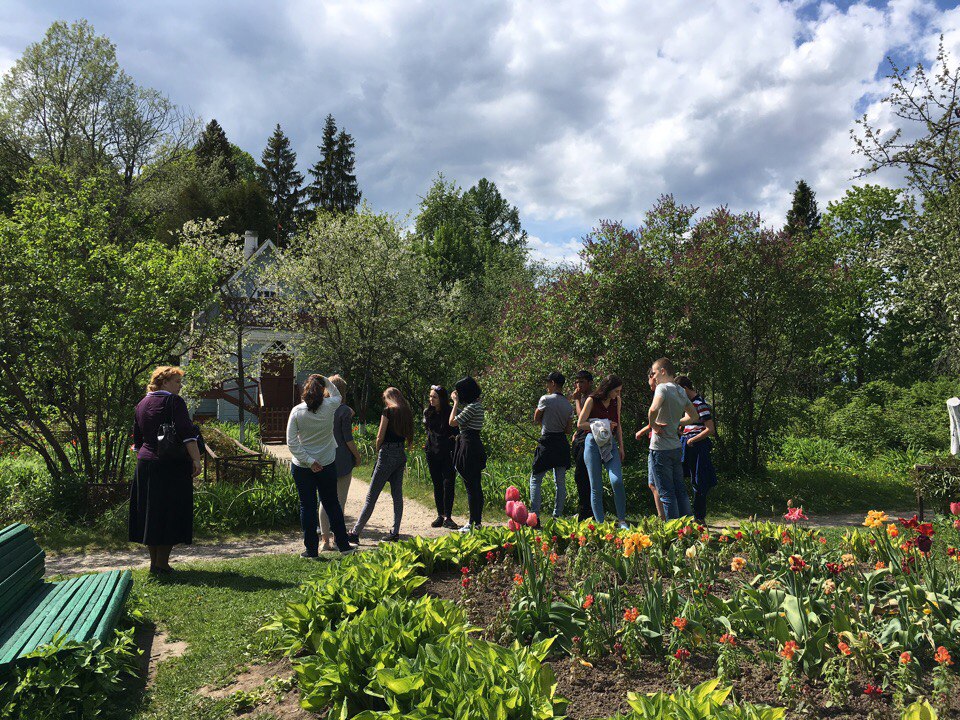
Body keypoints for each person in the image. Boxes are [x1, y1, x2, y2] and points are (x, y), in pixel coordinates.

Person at [130, 366, 202, 574]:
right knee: (169, 512)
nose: (180, 386)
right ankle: (162, 564)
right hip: (170, 463)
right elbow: (187, 434)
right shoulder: (173, 402)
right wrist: (196, 460)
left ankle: (156, 563)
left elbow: (138, 441)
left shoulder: (141, 404)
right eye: (177, 382)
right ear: (164, 382)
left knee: (151, 514)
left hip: (145, 464)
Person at [286, 374, 354, 556]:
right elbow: (337, 394)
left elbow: (291, 442)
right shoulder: (330, 406)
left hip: (302, 467)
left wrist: (309, 461)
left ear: (305, 392)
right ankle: (344, 546)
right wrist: (324, 379)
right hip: (326, 463)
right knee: (332, 504)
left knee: (307, 506)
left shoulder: (297, 411)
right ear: (321, 391)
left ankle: (311, 549)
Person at [348, 387, 415, 543]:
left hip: (387, 453)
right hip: (400, 454)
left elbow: (380, 436)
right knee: (397, 495)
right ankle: (395, 531)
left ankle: (355, 532)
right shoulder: (406, 412)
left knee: (371, 496)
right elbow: (409, 437)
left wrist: (378, 449)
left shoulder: (388, 411)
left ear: (388, 398)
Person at [646, 358, 701, 520]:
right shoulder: (680, 390)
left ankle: (673, 531)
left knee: (666, 493)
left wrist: (654, 425)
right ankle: (687, 528)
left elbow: (652, 410)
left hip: (660, 449)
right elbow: (694, 416)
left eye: (654, 373)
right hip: (676, 448)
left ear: (663, 371)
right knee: (680, 491)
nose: (653, 377)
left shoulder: (662, 388)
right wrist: (676, 422)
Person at [576, 374, 628, 528]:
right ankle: (601, 524)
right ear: (608, 388)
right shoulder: (592, 400)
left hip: (610, 444)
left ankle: (622, 521)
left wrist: (621, 446)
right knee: (596, 487)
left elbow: (618, 424)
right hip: (592, 443)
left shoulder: (616, 401)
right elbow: (580, 423)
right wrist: (602, 424)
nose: (618, 394)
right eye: (616, 391)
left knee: (617, 481)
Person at [320, 374, 362, 551]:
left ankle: (325, 541)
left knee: (324, 500)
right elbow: (348, 439)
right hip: (342, 460)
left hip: (323, 458)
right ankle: (338, 539)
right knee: (340, 501)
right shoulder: (344, 411)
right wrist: (357, 456)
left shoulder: (320, 408)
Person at [529, 372, 573, 523]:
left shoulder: (545, 399)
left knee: (536, 479)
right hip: (561, 443)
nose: (547, 386)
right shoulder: (568, 405)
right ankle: (557, 517)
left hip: (547, 442)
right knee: (560, 482)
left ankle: (535, 516)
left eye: (548, 383)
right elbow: (568, 430)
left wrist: (546, 422)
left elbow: (536, 418)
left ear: (553, 383)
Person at [676, 375, 717, 525]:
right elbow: (687, 426)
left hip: (698, 446)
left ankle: (699, 517)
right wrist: (682, 433)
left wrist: (693, 439)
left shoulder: (700, 404)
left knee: (699, 481)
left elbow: (710, 429)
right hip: (687, 445)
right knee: (680, 478)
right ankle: (684, 515)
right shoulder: (688, 404)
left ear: (685, 389)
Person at [450, 376, 486, 532]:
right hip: (475, 444)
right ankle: (477, 522)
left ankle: (472, 523)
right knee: (476, 485)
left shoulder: (471, 407)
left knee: (471, 487)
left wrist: (455, 403)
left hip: (468, 446)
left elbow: (452, 422)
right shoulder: (478, 406)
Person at [424, 385, 459, 530]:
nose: (431, 399)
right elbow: (428, 431)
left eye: (435, 397)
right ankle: (440, 515)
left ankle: (448, 517)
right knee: (437, 484)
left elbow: (456, 430)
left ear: (442, 399)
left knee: (448, 483)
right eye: (430, 396)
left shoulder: (450, 412)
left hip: (448, 453)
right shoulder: (428, 412)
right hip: (432, 452)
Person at [635, 371, 666, 520]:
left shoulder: (661, 395)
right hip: (657, 444)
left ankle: (664, 518)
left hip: (658, 446)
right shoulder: (665, 393)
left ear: (652, 377)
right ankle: (664, 517)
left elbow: (655, 420)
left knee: (656, 483)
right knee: (653, 484)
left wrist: (642, 431)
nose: (649, 384)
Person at [570, 370, 595, 521]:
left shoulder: (591, 398)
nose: (578, 385)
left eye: (582, 382)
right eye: (577, 382)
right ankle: (585, 509)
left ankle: (587, 511)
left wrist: (577, 400)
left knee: (582, 476)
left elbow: (581, 419)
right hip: (580, 439)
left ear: (590, 383)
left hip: (588, 440)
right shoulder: (584, 396)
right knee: (580, 476)